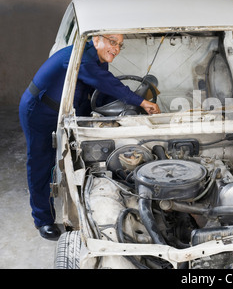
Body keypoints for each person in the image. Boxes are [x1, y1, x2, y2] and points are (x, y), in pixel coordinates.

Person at [19, 34, 160, 240]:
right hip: (40, 110)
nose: (117, 49)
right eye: (112, 42)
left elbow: (101, 91)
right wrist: (140, 101)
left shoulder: (99, 59)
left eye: (120, 44)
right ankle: (43, 220)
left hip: (70, 109)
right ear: (96, 39)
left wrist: (130, 107)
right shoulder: (81, 58)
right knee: (41, 162)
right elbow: (107, 83)